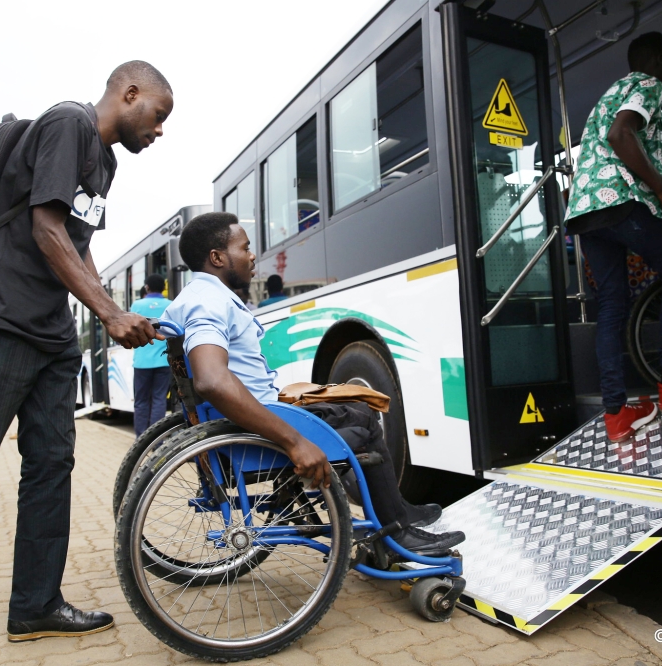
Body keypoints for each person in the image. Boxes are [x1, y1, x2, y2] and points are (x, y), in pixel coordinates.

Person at [0, 61, 172, 666]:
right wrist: (105, 313)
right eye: (157, 115)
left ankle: (35, 605)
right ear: (129, 94)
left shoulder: (106, 162)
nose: (159, 131)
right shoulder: (68, 124)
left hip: (51, 337)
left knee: (51, 467)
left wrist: (116, 311)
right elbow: (44, 227)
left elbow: (77, 241)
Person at [164, 212, 464, 554]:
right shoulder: (210, 302)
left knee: (345, 408)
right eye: (244, 248)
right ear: (217, 258)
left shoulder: (193, 298)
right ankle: (395, 532)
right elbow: (212, 380)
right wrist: (293, 441)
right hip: (257, 435)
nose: (251, 256)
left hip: (244, 423)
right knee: (364, 419)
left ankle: (392, 512)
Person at [564, 32, 662, 443]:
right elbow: (620, 135)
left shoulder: (610, 93)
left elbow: (608, 136)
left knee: (612, 305)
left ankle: (616, 414)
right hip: (622, 200)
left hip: (585, 210)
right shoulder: (647, 85)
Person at [129, 273, 172, 435]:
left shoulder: (137, 305)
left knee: (141, 401)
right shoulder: (171, 304)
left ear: (146, 287)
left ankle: (141, 439)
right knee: (159, 399)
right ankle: (157, 439)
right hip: (164, 361)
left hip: (141, 362)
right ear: (163, 288)